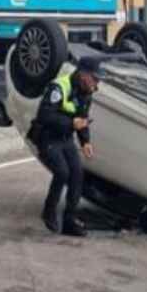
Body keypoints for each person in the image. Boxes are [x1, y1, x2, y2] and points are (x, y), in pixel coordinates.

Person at [31, 57, 101, 237]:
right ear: (83, 74)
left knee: (78, 173)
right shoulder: (59, 87)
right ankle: (49, 210)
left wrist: (85, 142)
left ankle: (69, 220)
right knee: (62, 172)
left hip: (65, 138)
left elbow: (82, 118)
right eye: (94, 79)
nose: (96, 84)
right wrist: (71, 123)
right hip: (47, 137)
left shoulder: (86, 92)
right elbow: (44, 116)